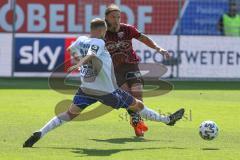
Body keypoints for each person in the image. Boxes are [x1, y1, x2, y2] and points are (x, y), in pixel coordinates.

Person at [23, 18, 184, 147]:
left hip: (86, 89)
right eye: (105, 31)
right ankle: (167, 120)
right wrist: (81, 63)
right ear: (101, 31)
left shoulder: (80, 40)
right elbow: (92, 54)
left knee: (69, 114)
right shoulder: (99, 42)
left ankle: (40, 132)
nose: (105, 33)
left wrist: (79, 60)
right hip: (108, 92)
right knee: (138, 106)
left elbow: (70, 49)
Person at [104, 4, 171, 136]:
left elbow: (143, 38)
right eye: (113, 17)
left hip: (131, 65)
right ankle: (137, 122)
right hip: (115, 70)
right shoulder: (102, 33)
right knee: (128, 97)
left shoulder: (127, 29)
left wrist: (158, 48)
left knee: (138, 94)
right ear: (106, 18)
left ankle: (137, 121)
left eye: (118, 16)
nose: (116, 19)